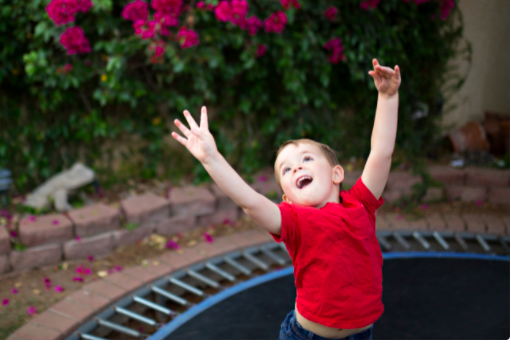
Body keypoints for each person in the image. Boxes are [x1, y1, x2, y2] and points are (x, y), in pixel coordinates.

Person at [171, 58, 401, 340]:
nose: (298, 168)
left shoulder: (361, 203)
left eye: (306, 159)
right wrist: (211, 158)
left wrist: (387, 97)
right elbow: (250, 202)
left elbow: (381, 152)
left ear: (336, 173)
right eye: (287, 169)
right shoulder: (295, 220)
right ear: (286, 199)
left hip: (361, 335)